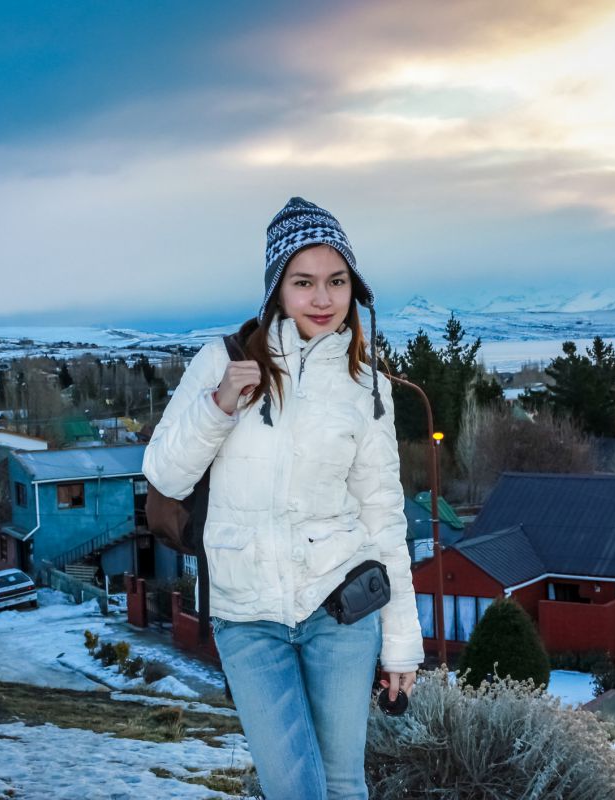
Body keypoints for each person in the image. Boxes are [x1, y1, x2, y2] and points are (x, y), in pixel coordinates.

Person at [142, 197, 424, 799]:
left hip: (341, 608)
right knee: (294, 788)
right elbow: (164, 474)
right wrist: (219, 406)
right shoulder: (221, 362)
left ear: (354, 288)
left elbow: (383, 516)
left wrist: (401, 644)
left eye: (336, 281)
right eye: (304, 282)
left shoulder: (366, 386)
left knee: (343, 783)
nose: (322, 299)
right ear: (277, 289)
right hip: (246, 617)